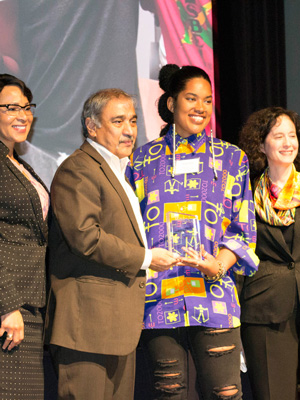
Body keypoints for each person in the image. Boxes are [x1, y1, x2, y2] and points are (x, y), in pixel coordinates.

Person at [127, 64, 259, 399]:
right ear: (172, 104)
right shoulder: (141, 161)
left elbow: (243, 229)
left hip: (214, 295)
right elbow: (130, 229)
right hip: (159, 300)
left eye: (207, 100)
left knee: (226, 393)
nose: (200, 107)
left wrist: (218, 265)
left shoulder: (232, 159)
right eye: (191, 98)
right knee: (169, 394)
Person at [45, 88, 178, 400]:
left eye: (132, 120)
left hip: (117, 327)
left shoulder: (119, 171)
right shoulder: (78, 169)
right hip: (87, 327)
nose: (129, 130)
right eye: (118, 121)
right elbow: (86, 238)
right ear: (92, 126)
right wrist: (146, 258)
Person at [238, 107, 300, 400]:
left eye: (292, 135)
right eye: (279, 136)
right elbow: (237, 256)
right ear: (261, 144)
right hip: (264, 311)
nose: (288, 142)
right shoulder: (245, 195)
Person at [0, 74, 49, 399]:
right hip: (10, 308)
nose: (22, 115)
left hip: (32, 306)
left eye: (26, 107)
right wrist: (7, 306)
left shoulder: (18, 164)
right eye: (10, 108)